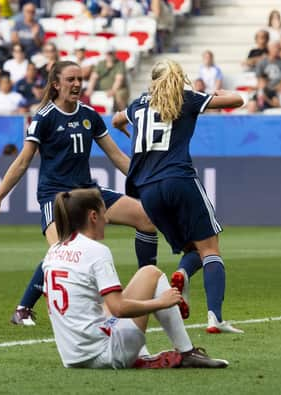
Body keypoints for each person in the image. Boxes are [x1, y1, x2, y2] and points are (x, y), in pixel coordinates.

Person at [0, 61, 159, 326]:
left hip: (87, 193)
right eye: (71, 79)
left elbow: (115, 155)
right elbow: (23, 161)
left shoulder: (89, 114)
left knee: (147, 219)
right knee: (60, 252)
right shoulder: (44, 118)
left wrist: (145, 181)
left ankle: (148, 283)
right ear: (56, 84)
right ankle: (23, 308)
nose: (77, 84)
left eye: (80, 78)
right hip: (56, 197)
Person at [112, 59, 245, 334]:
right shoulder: (186, 98)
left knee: (191, 249)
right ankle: (215, 318)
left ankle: (181, 275)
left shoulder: (138, 104)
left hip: (147, 190)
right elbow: (238, 99)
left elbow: (115, 119)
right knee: (210, 249)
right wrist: (219, 94)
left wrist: (128, 130)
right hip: (179, 179)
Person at [43, 188, 229, 369]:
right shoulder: (96, 251)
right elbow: (119, 308)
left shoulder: (54, 251)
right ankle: (187, 352)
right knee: (152, 274)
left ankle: (149, 354)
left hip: (71, 356)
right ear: (93, 216)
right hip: (107, 353)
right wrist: (161, 302)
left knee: (143, 275)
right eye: (103, 213)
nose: (107, 219)